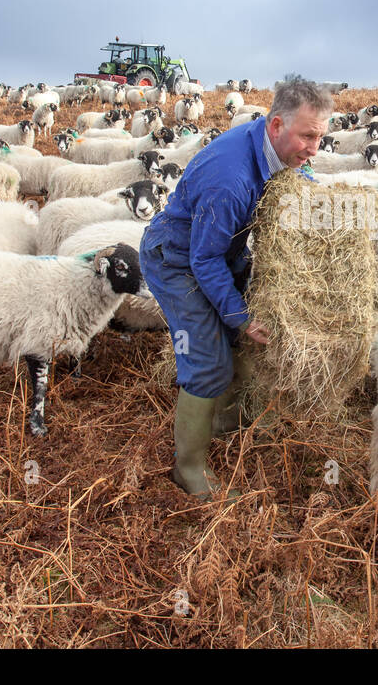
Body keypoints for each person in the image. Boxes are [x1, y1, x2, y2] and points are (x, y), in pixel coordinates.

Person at [140, 78, 334, 496]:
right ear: (278, 125)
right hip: (176, 259)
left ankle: (224, 418)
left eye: (320, 136)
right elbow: (203, 260)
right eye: (308, 136)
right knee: (209, 359)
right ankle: (188, 467)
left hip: (218, 251)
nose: (314, 149)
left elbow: (290, 185)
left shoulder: (268, 145)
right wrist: (242, 317)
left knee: (234, 342)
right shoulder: (229, 178)